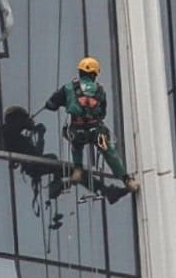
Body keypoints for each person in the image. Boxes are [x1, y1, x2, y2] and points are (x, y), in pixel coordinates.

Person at [45, 57, 138, 196]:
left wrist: (63, 103)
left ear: (80, 72)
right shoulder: (100, 90)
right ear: (94, 74)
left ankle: (78, 169)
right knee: (109, 152)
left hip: (77, 131)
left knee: (76, 145)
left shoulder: (68, 87)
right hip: (96, 131)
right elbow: (102, 113)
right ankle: (127, 180)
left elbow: (52, 104)